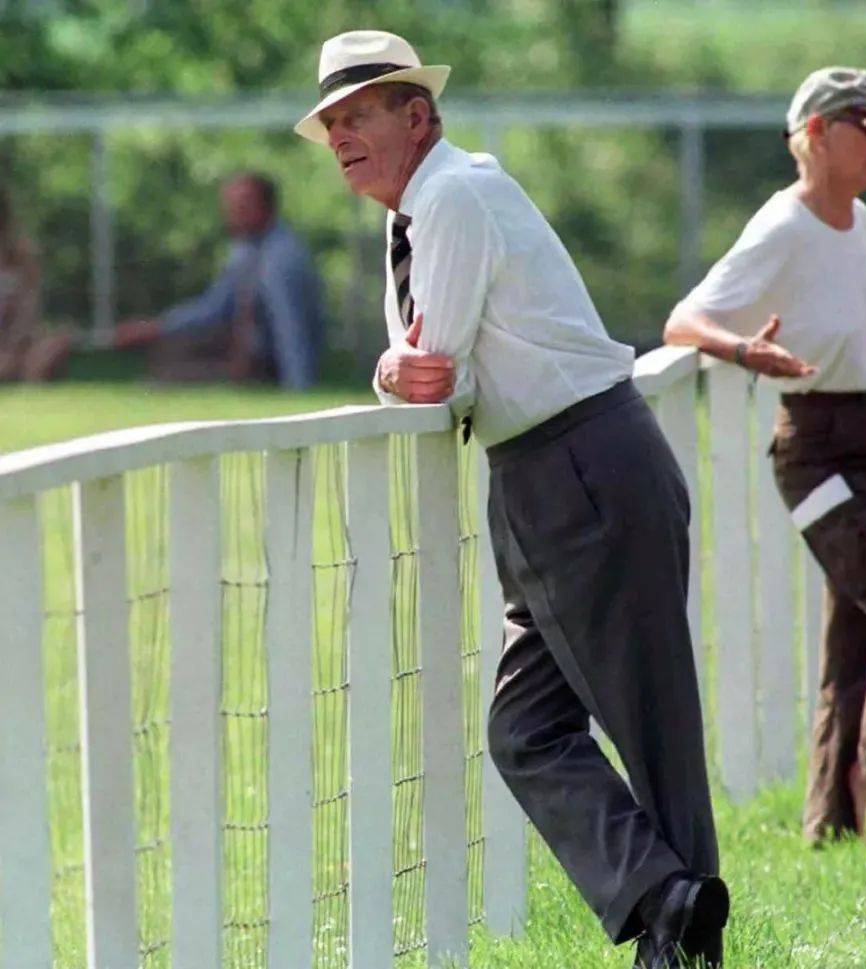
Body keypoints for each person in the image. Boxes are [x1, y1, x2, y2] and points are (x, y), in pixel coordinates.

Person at [295, 30, 728, 967]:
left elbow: (434, 378)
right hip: (544, 472)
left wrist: (391, 367)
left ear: (418, 115)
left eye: (356, 115)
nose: (338, 137)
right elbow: (423, 369)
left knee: (644, 722)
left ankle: (683, 939)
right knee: (526, 730)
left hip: (579, 464)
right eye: (330, 122)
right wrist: (399, 368)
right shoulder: (417, 209)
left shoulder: (451, 196)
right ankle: (670, 900)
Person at [664, 67, 866, 844]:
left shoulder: (857, 220)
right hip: (823, 452)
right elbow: (683, 322)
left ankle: (829, 820)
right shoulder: (782, 226)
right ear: (816, 135)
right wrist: (744, 352)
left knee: (859, 629)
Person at [114, 173, 324, 389]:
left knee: (171, 372)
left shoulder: (281, 257)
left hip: (266, 363)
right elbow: (214, 306)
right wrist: (159, 326)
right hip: (237, 350)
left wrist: (298, 387)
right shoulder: (245, 250)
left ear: (267, 207)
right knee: (169, 347)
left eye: (242, 206)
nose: (233, 214)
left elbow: (290, 327)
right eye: (230, 206)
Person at [0, 190, 71, 381]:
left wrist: (12, 345)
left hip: (18, 343)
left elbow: (28, 310)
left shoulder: (22, 256)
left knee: (57, 340)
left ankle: (25, 371)